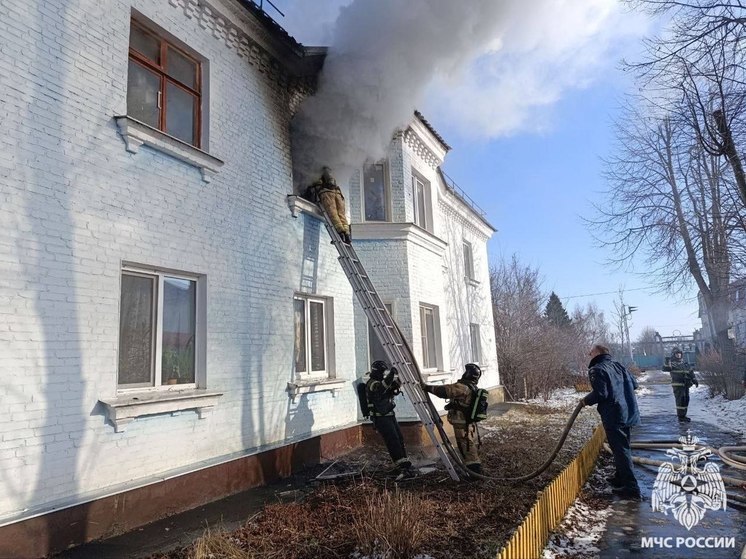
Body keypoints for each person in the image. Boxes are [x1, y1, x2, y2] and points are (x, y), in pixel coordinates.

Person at [579, 345, 642, 500]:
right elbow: (635, 384)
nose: (589, 354)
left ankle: (631, 489)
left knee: (621, 451)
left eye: (591, 352)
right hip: (629, 412)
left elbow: (601, 393)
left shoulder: (597, 369)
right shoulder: (618, 365)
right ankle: (620, 478)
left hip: (615, 416)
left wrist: (585, 401)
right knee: (622, 448)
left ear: (598, 353)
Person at [423, 363, 484, 475]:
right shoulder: (469, 386)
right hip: (466, 423)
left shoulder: (463, 387)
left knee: (467, 447)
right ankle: (472, 470)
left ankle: (474, 472)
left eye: (466, 372)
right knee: (467, 446)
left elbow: (445, 391)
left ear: (469, 374)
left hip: (462, 423)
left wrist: (427, 387)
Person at [365, 360, 414, 478]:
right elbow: (381, 388)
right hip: (381, 418)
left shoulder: (380, 381)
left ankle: (404, 463)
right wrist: (391, 375)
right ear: (376, 371)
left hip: (389, 415)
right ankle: (400, 466)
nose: (383, 375)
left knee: (399, 438)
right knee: (392, 440)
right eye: (382, 372)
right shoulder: (372, 383)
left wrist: (397, 382)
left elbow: (388, 388)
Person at [304, 166, 351, 244]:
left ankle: (341, 234)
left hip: (327, 194)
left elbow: (314, 185)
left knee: (333, 214)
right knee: (341, 215)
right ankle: (347, 235)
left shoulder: (316, 174)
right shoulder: (330, 175)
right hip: (338, 194)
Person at [662, 347, 698, 422]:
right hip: (678, 386)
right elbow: (665, 368)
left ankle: (684, 415)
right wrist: (667, 360)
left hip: (686, 385)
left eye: (679, 354)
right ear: (673, 355)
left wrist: (694, 380)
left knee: (686, 400)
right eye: (677, 354)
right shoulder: (672, 363)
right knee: (680, 401)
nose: (678, 355)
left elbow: (691, 372)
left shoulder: (685, 364)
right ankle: (681, 416)